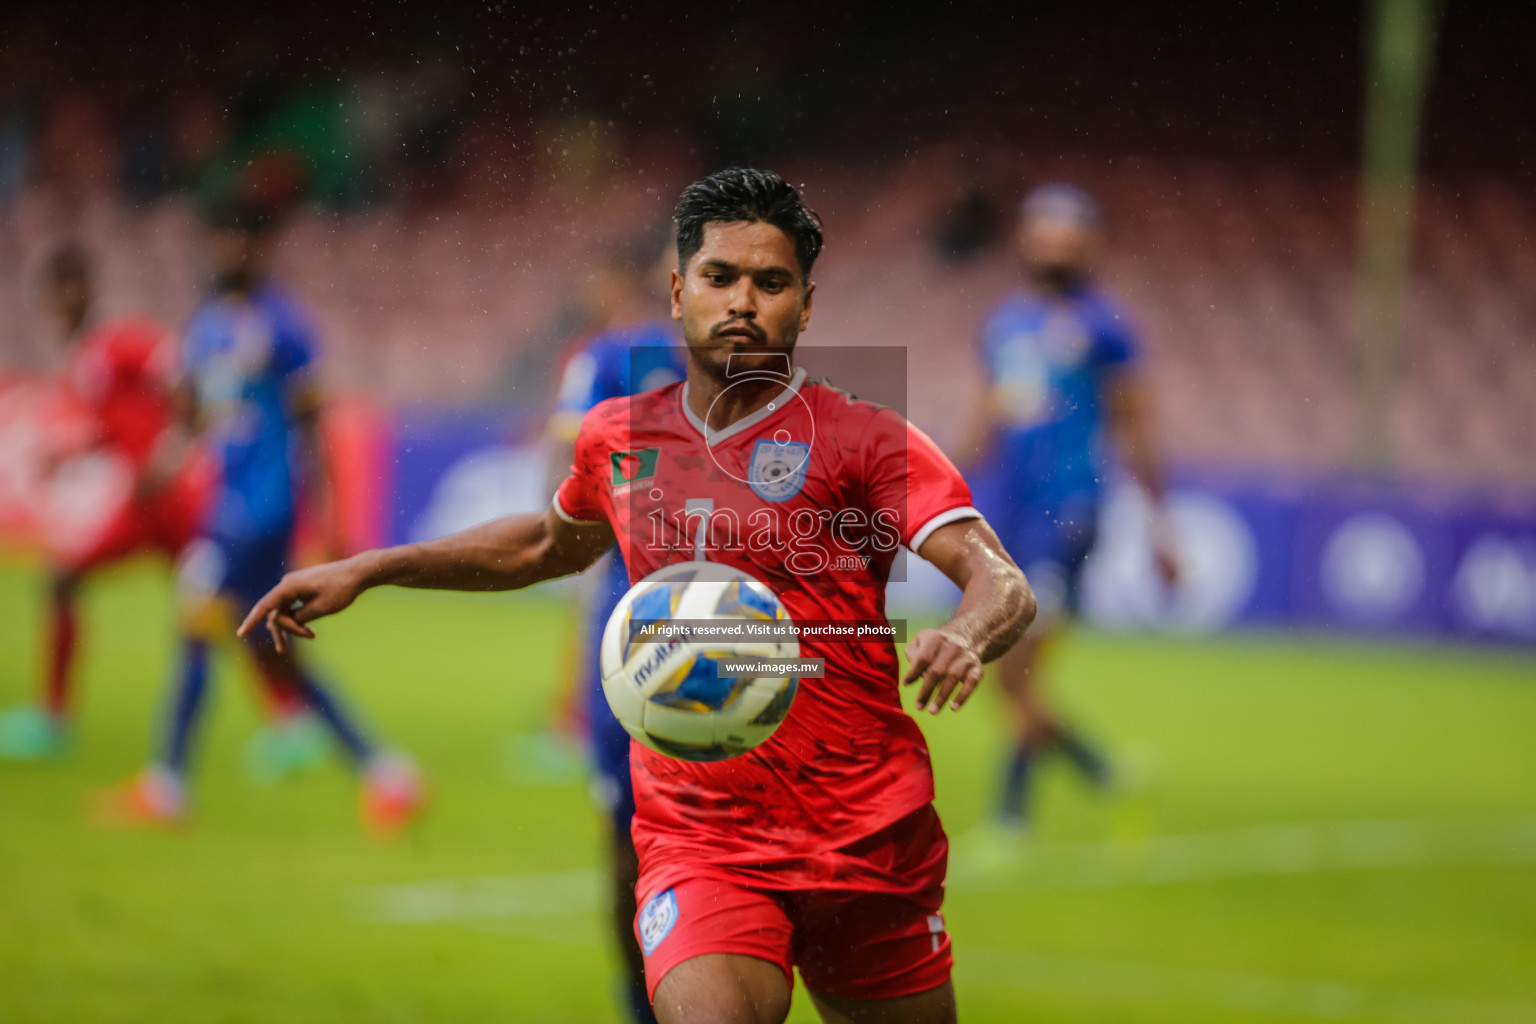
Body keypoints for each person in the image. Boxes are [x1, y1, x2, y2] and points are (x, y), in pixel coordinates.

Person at [240, 168, 1036, 1024]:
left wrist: (965, 631)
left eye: (771, 284)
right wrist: (371, 567)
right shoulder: (618, 437)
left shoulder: (869, 440)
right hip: (702, 837)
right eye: (719, 276)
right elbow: (547, 543)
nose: (742, 301)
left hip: (866, 831)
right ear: (677, 290)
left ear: (806, 307)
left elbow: (1000, 580)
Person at [100, 201, 423, 835]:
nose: (225, 252)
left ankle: (167, 786)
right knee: (274, 652)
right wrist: (165, 464)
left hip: (261, 510)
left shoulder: (285, 327)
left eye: (237, 240)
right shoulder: (208, 326)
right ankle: (386, 774)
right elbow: (194, 416)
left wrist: (327, 512)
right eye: (218, 239)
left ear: (259, 249)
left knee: (195, 624)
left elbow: (311, 422)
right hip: (227, 503)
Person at [964, 184, 1178, 832]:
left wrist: (1160, 527)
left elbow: (1136, 425)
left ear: (1089, 245)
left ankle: (1011, 819)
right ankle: (1104, 774)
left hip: (1070, 514)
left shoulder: (1106, 328)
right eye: (1042, 230)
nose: (1052, 243)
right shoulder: (1003, 323)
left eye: (1066, 233)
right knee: (1008, 674)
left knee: (1011, 668)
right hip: (1013, 516)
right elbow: (989, 412)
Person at [546, 239, 686, 1024]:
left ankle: (646, 1006)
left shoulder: (602, 356)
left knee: (627, 842)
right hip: (691, 619)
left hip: (635, 625)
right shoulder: (739, 365)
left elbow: (562, 467)